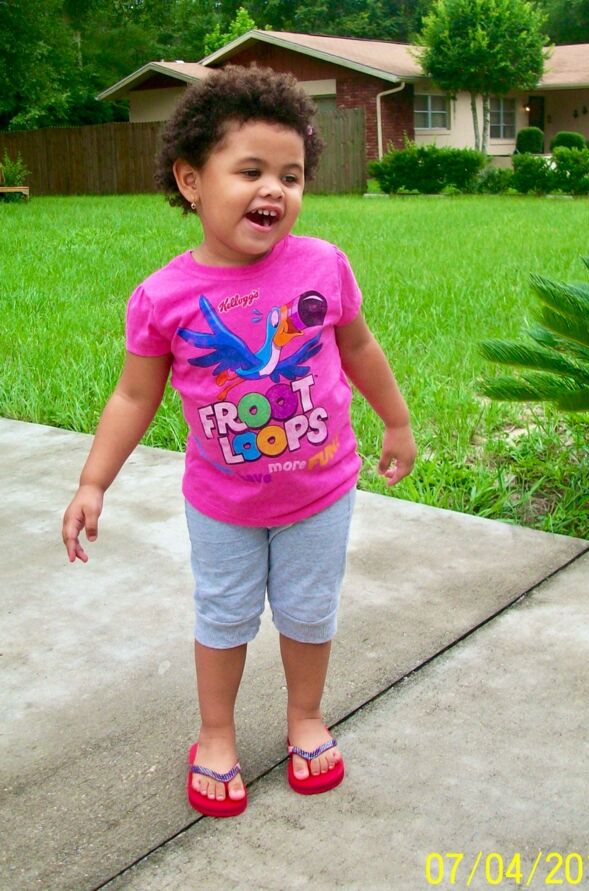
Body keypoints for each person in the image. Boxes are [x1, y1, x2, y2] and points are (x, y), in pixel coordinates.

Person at [61, 65, 416, 818]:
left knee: (309, 611)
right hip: (223, 504)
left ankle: (305, 718)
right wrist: (93, 481)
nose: (273, 190)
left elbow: (358, 347)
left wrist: (397, 420)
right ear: (191, 180)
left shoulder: (323, 265)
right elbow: (133, 396)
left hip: (320, 491)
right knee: (223, 616)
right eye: (250, 171)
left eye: (290, 175)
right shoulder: (164, 297)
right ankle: (216, 733)